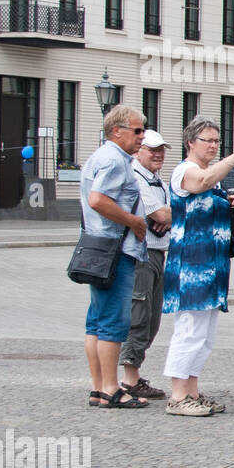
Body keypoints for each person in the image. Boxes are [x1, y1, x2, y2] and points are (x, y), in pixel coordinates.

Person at [161, 116, 234, 416]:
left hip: (211, 265)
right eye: (208, 140)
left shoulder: (211, 175)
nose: (214, 146)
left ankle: (191, 390)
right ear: (190, 142)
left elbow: (208, 189)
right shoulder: (185, 171)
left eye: (217, 141)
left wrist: (228, 202)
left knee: (205, 335)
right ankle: (178, 395)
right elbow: (200, 183)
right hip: (191, 264)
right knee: (189, 330)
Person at [82, 105, 151, 410]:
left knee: (96, 321)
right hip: (115, 249)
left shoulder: (100, 156)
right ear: (116, 131)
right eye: (137, 130)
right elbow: (98, 199)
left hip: (98, 247)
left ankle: (99, 388)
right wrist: (133, 221)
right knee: (113, 321)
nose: (142, 136)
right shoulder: (114, 160)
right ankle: (111, 388)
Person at [118, 129, 172, 401]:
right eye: (152, 149)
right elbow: (162, 214)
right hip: (141, 254)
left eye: (161, 149)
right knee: (139, 315)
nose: (158, 154)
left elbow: (169, 214)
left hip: (158, 253)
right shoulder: (136, 178)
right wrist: (167, 215)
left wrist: (168, 216)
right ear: (139, 151)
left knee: (152, 318)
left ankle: (134, 374)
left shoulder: (159, 182)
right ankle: (129, 378)